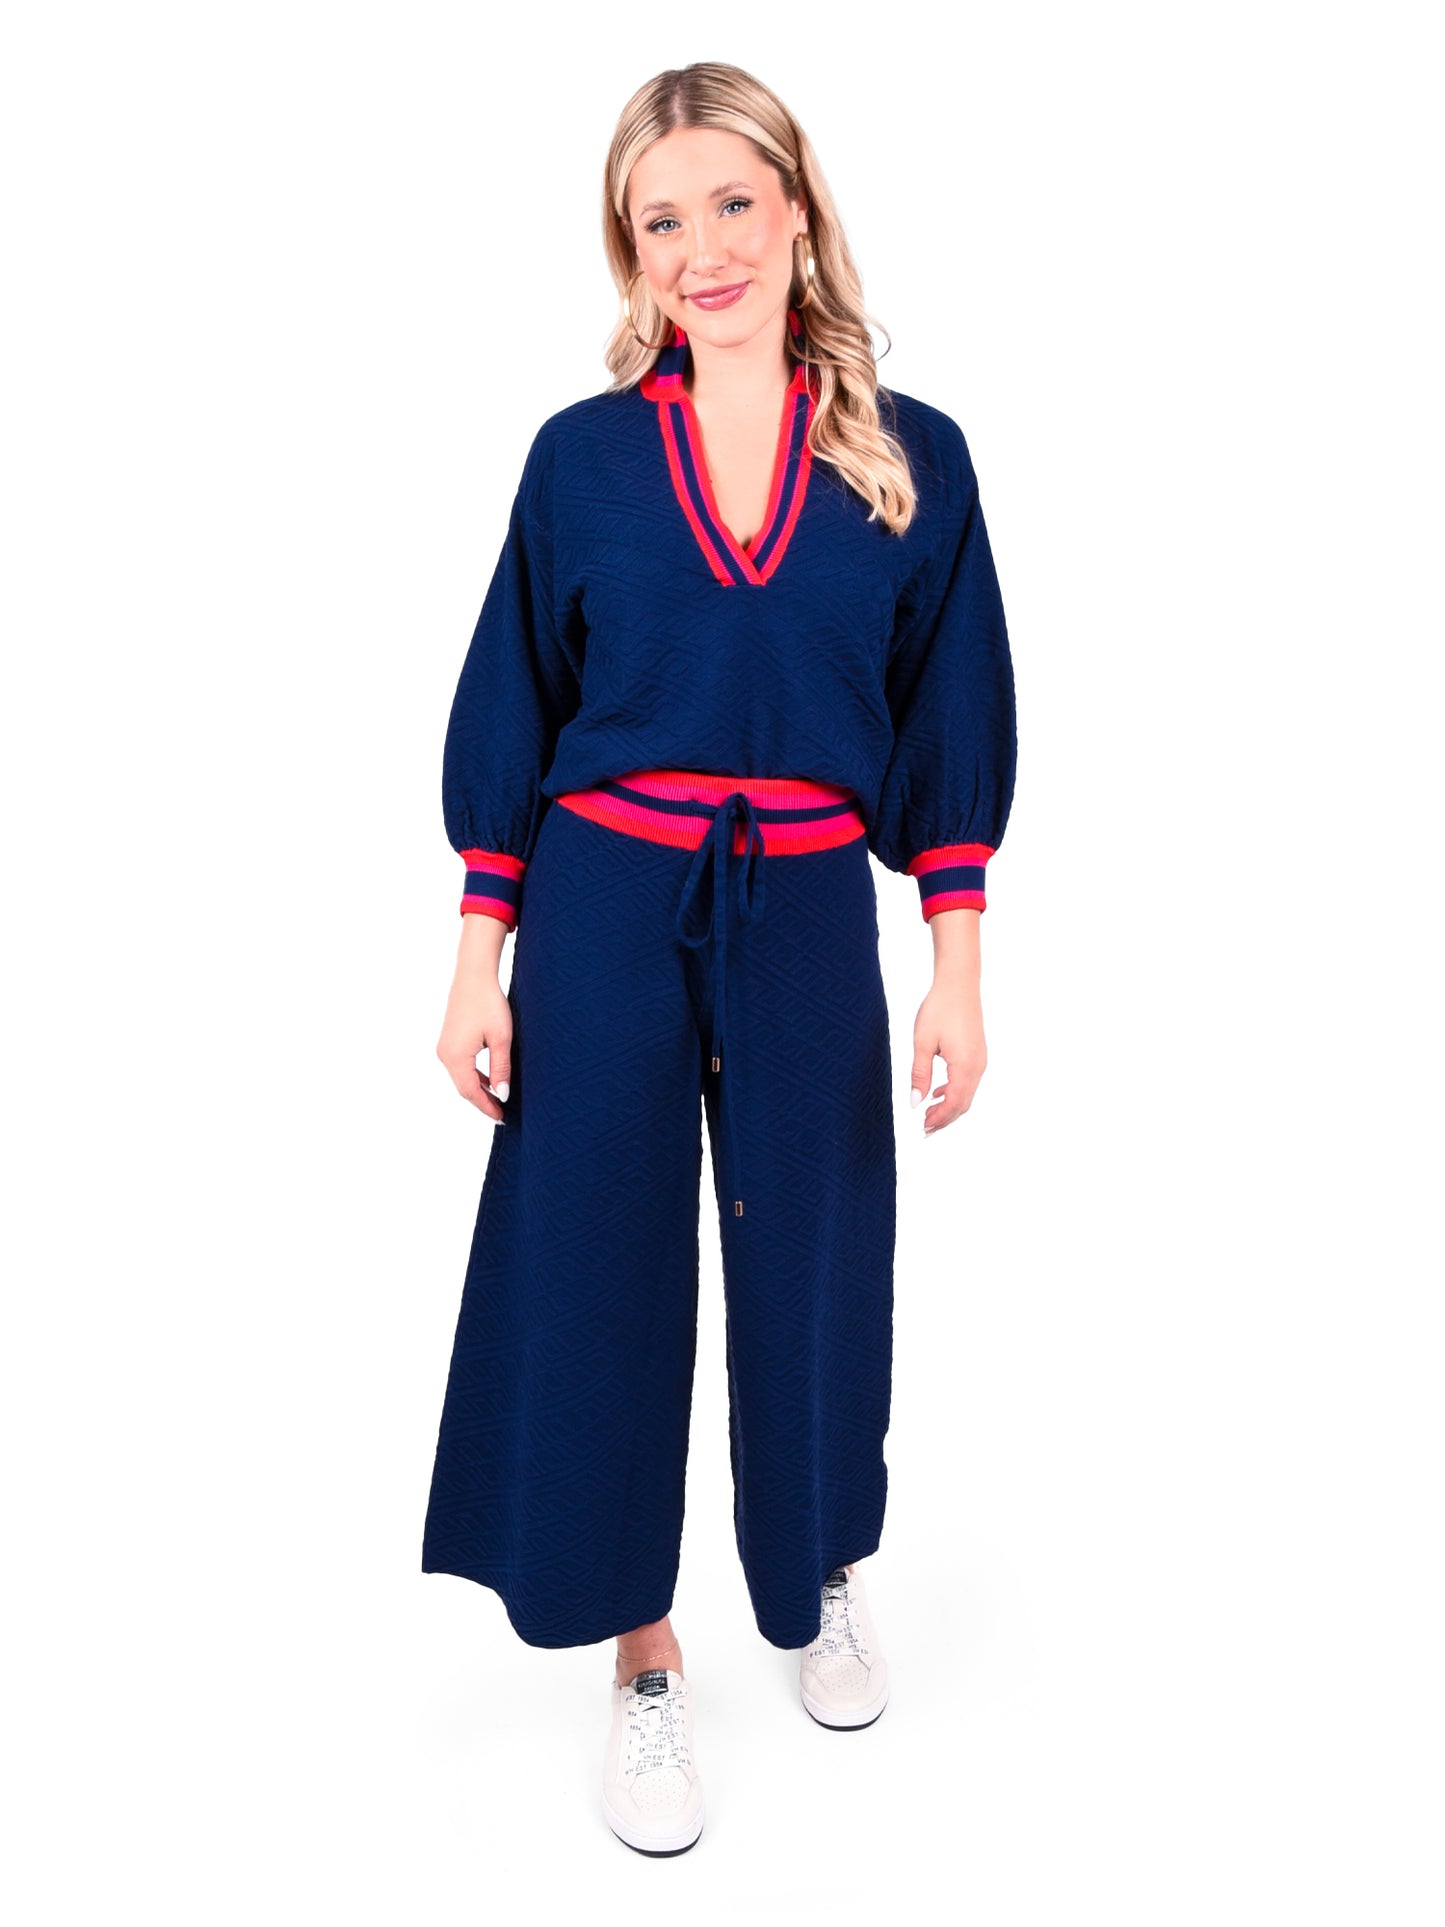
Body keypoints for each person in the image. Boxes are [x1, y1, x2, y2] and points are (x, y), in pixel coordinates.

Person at [422, 60, 1019, 1857]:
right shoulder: (584, 458)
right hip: (604, 899)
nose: (704, 250)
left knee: (818, 1246)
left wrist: (958, 962)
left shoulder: (912, 458)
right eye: (661, 219)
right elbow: (517, 699)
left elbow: (948, 715)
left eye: (732, 204)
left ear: (798, 208)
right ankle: (641, 1649)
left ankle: (817, 1562)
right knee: (598, 1257)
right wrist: (477, 954)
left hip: (808, 902)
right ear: (632, 249)